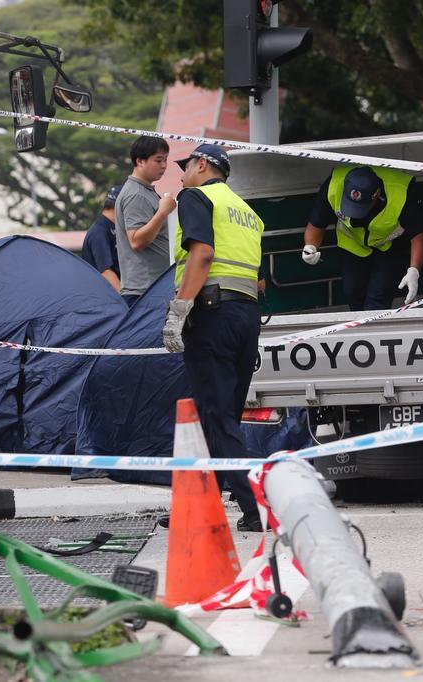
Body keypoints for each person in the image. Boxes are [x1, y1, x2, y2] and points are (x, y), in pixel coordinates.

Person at [161, 144, 264, 533]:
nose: (182, 174)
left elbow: (202, 254)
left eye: (185, 166)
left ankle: (253, 506)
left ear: (202, 164)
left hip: (211, 313)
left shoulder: (196, 197)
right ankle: (198, 506)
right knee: (220, 418)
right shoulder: (247, 213)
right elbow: (259, 279)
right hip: (246, 316)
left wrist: (180, 309)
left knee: (217, 416)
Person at [301, 166, 423, 311]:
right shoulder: (334, 186)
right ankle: (361, 331)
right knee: (352, 292)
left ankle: (374, 331)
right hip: (353, 245)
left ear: (377, 193)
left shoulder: (401, 193)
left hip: (390, 247)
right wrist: (310, 246)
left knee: (377, 300)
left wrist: (414, 271)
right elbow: (316, 223)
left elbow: (418, 236)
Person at [114, 136, 177, 306]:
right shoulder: (136, 194)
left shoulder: (144, 191)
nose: (164, 165)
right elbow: (136, 241)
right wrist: (163, 212)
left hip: (151, 289)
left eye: (165, 160)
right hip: (144, 292)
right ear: (140, 161)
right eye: (158, 160)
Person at [81, 185, 122, 291]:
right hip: (107, 298)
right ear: (121, 205)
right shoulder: (99, 232)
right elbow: (106, 272)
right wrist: (126, 302)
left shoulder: (111, 227)